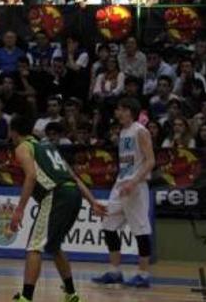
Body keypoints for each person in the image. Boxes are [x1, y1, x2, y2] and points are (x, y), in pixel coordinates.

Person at [8, 115, 106, 302]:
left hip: (56, 195)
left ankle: (26, 298)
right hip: (73, 194)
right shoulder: (48, 146)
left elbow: (31, 177)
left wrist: (19, 210)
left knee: (34, 247)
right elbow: (74, 177)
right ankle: (71, 294)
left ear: (13, 131)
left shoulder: (23, 147)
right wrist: (92, 201)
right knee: (53, 246)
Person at [93, 97, 156, 288]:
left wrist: (134, 181)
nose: (117, 113)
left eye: (120, 109)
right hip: (121, 184)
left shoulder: (140, 131)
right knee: (108, 224)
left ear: (129, 111)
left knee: (140, 230)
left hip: (136, 186)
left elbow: (150, 161)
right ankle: (115, 271)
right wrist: (122, 181)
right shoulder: (123, 132)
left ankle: (143, 274)